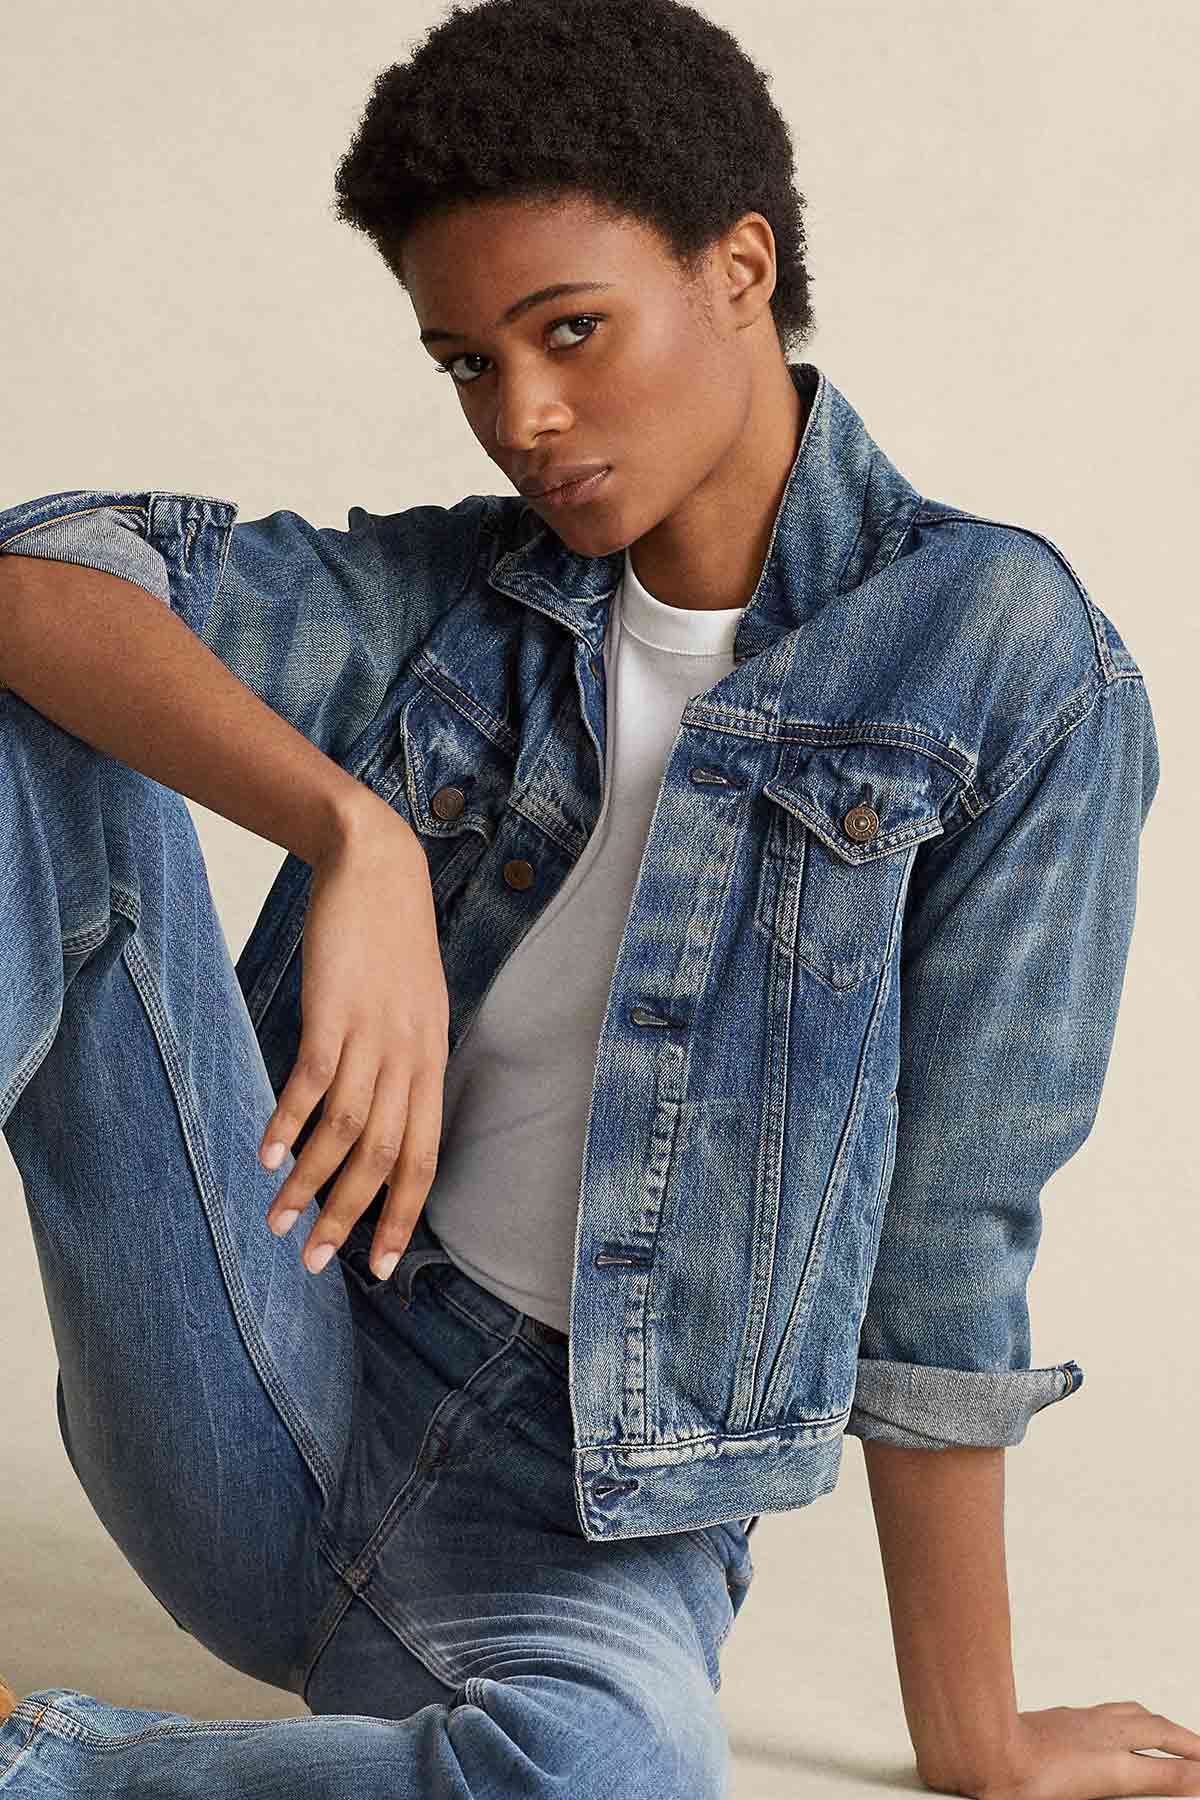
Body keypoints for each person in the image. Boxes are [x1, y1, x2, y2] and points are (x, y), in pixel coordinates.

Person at [0, 0, 1195, 1794]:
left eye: (569, 330)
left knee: (618, 1774)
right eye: (466, 361)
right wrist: (350, 831)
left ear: (740, 269)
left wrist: (974, 1736)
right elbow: (38, 573)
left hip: (584, 1526)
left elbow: (953, 1238)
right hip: (256, 1357)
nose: (524, 419)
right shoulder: (459, 598)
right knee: (44, 720)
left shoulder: (1004, 661)